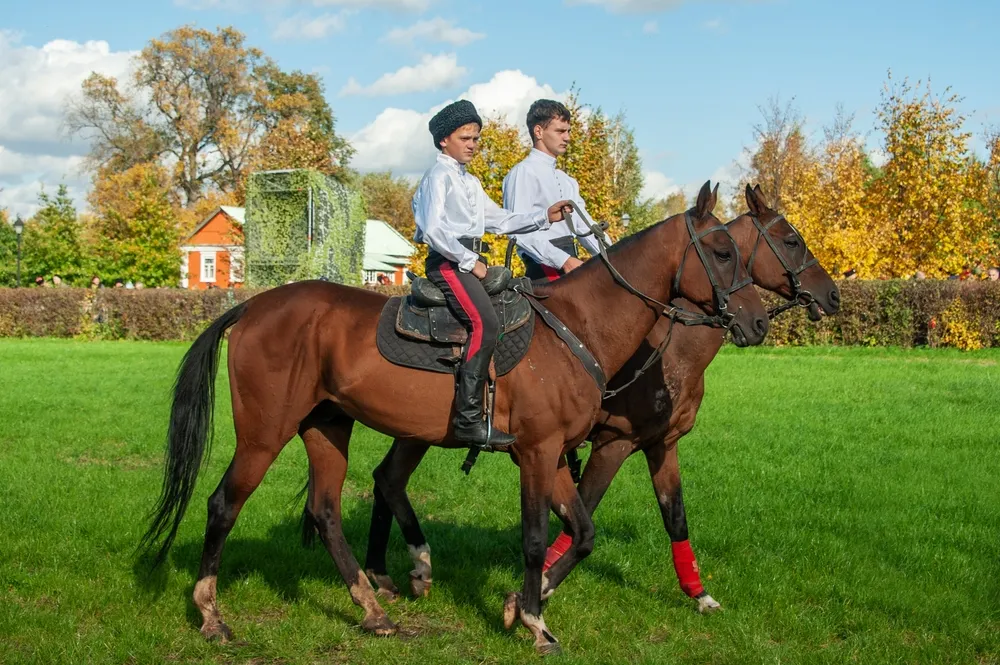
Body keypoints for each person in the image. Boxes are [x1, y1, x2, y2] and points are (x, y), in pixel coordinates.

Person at [413, 99, 573, 450]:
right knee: (486, 324)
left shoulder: (468, 182)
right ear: (444, 140)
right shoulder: (438, 176)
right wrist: (471, 262)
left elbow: (500, 219)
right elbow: (433, 230)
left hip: (467, 261)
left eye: (475, 138)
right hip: (447, 262)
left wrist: (544, 217)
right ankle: (469, 420)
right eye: (465, 138)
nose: (472, 145)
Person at [503, 99, 609, 281]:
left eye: (568, 131)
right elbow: (517, 231)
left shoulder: (567, 180)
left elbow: (584, 227)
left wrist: (615, 255)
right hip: (544, 269)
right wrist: (564, 261)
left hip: (572, 264)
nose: (567, 137)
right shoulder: (523, 173)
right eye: (560, 131)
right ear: (539, 131)